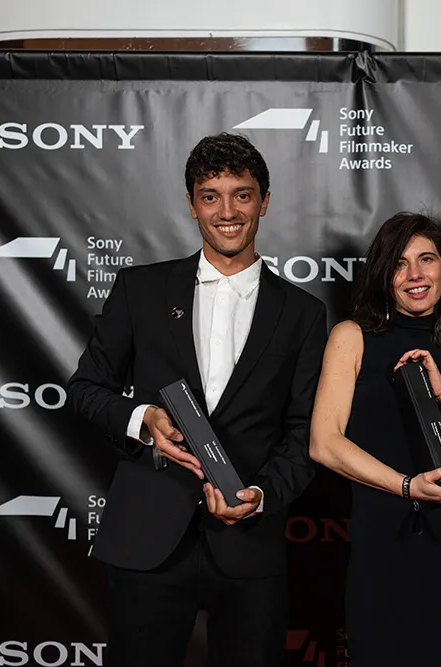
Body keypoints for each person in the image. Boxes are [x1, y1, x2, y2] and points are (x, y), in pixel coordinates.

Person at [67, 132, 326, 667]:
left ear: (265, 201)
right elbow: (85, 389)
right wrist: (142, 419)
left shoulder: (302, 312)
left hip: (250, 544)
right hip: (148, 538)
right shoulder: (140, 290)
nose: (227, 211)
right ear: (191, 204)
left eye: (242, 194)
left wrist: (260, 492)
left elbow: (304, 430)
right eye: (211, 195)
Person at [309, 212, 441, 667]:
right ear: (383, 275)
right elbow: (323, 443)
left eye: (427, 259)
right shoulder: (352, 337)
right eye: (400, 263)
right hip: (384, 540)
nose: (416, 275)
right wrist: (407, 486)